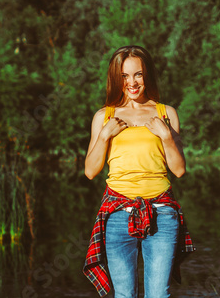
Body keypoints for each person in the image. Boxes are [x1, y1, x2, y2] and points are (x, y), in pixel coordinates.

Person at [82, 45, 195, 298]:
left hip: (162, 213)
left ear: (148, 76)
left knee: (159, 294)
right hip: (117, 214)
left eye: (138, 75)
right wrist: (104, 135)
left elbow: (178, 170)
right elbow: (90, 171)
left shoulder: (166, 114)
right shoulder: (104, 116)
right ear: (116, 78)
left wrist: (166, 136)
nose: (132, 82)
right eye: (124, 76)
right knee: (124, 296)